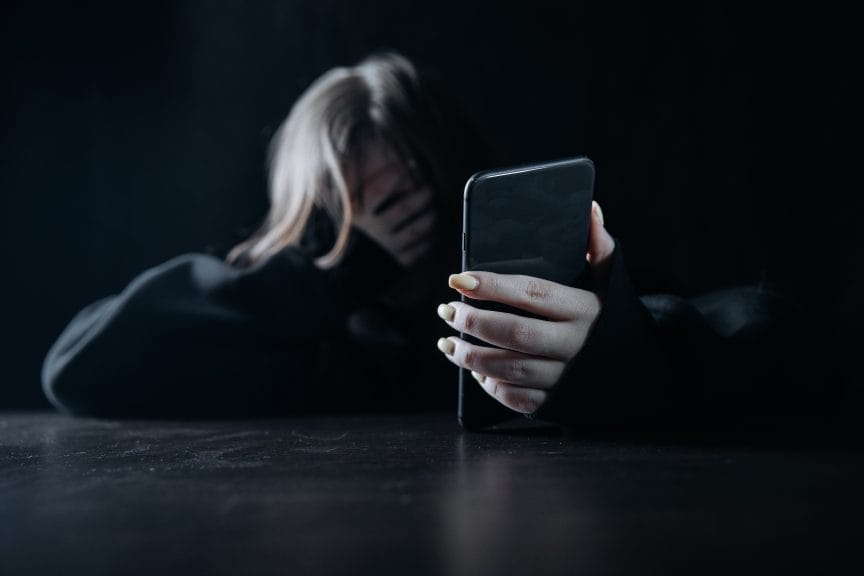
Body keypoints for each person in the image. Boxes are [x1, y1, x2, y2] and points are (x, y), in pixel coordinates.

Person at [42, 52, 844, 442]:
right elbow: (78, 366)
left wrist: (619, 355)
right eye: (348, 210)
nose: (381, 228)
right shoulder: (284, 330)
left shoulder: (543, 304)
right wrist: (333, 278)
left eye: (401, 199)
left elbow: (781, 339)